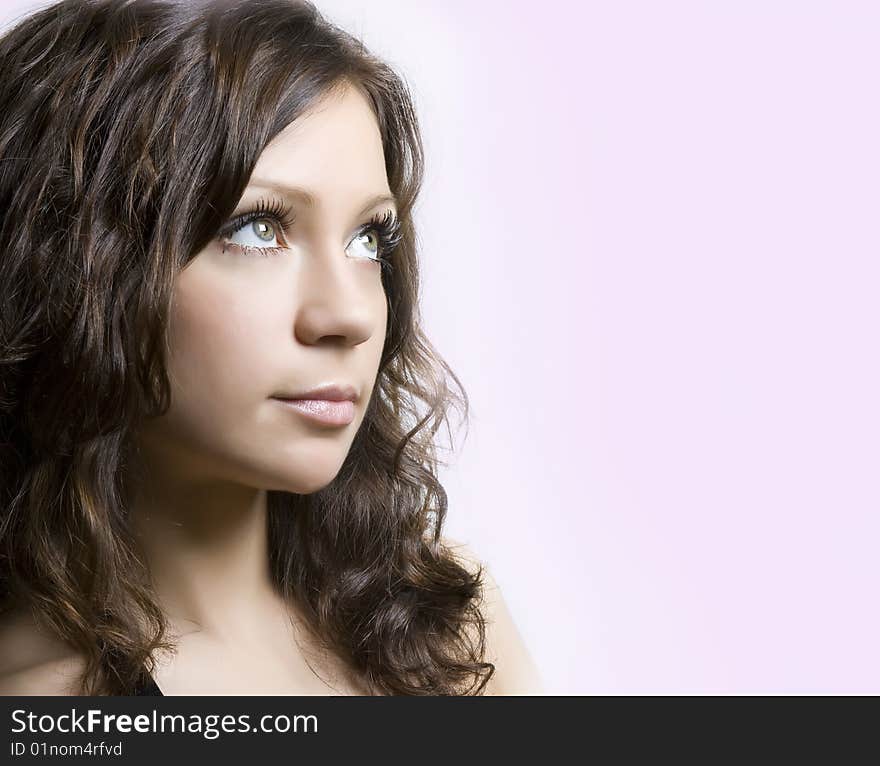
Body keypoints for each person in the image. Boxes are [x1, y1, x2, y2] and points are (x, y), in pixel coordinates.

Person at [0, 0, 544, 695]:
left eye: (368, 239)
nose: (347, 315)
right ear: (78, 266)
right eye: (258, 229)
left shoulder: (449, 623)